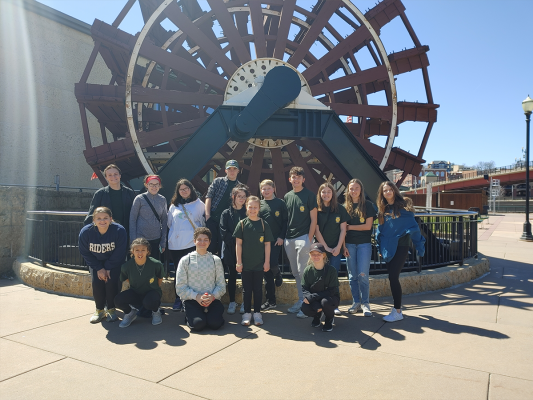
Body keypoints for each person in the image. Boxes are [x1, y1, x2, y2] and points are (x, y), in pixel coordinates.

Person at [375, 181, 426, 322]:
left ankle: (397, 311)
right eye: (385, 190)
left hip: (402, 246)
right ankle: (396, 309)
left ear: (395, 191)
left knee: (393, 277)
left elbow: (414, 228)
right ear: (382, 194)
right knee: (392, 278)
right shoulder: (382, 210)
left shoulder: (404, 208)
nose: (388, 192)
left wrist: (419, 247)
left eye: (390, 190)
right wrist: (380, 247)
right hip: (388, 247)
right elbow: (380, 231)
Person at [79, 207, 127, 323]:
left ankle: (111, 308)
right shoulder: (86, 232)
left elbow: (120, 251)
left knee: (111, 282)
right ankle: (99, 310)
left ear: (111, 219)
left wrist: (109, 267)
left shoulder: (119, 231)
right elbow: (85, 252)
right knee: (97, 282)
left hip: (114, 262)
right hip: (96, 262)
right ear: (93, 220)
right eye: (99, 218)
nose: (102, 221)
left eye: (105, 218)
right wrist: (99, 268)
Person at [176, 227, 226, 332]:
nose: (202, 242)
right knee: (198, 325)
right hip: (193, 300)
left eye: (205, 239)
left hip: (212, 299)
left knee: (215, 324)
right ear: (194, 241)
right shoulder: (186, 260)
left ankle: (210, 316)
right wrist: (197, 297)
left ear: (209, 242)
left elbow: (221, 285)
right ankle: (191, 316)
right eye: (199, 239)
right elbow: (180, 287)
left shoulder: (215, 260)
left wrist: (212, 297)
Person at [234, 196, 274, 326]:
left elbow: (267, 244)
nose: (252, 209)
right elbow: (238, 244)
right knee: (246, 289)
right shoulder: (242, 224)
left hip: (259, 264)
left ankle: (257, 313)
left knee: (257, 289)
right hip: (245, 264)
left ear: (259, 208)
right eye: (250, 207)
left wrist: (267, 262)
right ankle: (246, 313)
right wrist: (239, 262)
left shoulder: (264, 224)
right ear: (246, 207)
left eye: (255, 207)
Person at [284, 166, 318, 318]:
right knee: (296, 273)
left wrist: (309, 239)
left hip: (303, 237)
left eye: (298, 177)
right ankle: (301, 300)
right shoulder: (287, 196)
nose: (296, 179)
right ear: (290, 179)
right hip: (289, 238)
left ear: (303, 179)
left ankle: (307, 304)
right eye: (293, 177)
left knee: (303, 272)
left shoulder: (310, 196)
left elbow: (314, 219)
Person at [167, 179, 205, 311]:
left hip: (191, 244)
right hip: (176, 244)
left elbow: (202, 223)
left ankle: (190, 299)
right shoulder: (173, 205)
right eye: (181, 189)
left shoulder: (199, 204)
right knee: (179, 272)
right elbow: (169, 224)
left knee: (192, 272)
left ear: (191, 189)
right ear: (178, 191)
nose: (184, 191)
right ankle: (179, 298)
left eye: (186, 188)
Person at [343, 178, 377, 317]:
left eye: (356, 188)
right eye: (351, 189)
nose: (354, 191)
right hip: (349, 245)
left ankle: (366, 303)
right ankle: (356, 302)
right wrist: (343, 246)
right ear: (348, 190)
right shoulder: (344, 207)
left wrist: (350, 227)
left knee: (362, 275)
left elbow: (367, 226)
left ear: (361, 190)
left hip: (364, 245)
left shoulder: (367, 205)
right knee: (352, 276)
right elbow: (342, 231)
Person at [314, 182, 349, 315]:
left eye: (329, 192)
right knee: (321, 277)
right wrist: (326, 248)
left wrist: (339, 247)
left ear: (333, 194)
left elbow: (343, 229)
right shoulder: (316, 209)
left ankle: (334, 304)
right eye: (323, 192)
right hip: (321, 249)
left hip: (336, 249)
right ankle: (322, 304)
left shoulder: (340, 209)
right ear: (320, 194)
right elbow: (316, 230)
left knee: (333, 277)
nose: (326, 194)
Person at [115, 238, 164, 328]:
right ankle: (130, 313)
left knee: (150, 301)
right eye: (137, 250)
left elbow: (159, 278)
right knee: (118, 300)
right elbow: (126, 278)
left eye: (143, 250)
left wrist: (155, 288)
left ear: (147, 251)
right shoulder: (126, 266)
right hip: (135, 292)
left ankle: (156, 311)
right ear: (132, 251)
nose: (140, 253)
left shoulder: (156, 264)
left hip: (151, 292)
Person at [220, 184, 249, 315]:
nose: (242, 199)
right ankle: (232, 302)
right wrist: (235, 242)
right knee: (232, 276)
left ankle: (245, 302)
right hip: (230, 249)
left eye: (244, 196)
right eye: (239, 196)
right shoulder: (226, 213)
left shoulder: (248, 212)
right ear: (234, 197)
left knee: (246, 277)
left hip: (247, 249)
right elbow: (223, 231)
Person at [258, 180, 287, 311]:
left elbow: (286, 222)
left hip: (276, 240)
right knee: (266, 272)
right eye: (263, 189)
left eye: (268, 188)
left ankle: (278, 274)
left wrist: (282, 236)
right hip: (262, 241)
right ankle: (271, 301)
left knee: (273, 263)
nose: (266, 191)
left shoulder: (280, 203)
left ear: (274, 189)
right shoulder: (259, 204)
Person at [84, 164, 136, 234]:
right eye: (110, 175)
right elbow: (92, 214)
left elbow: (135, 213)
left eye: (115, 174)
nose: (113, 176)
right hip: (105, 232)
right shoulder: (100, 193)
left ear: (120, 175)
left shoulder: (129, 192)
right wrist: (88, 232)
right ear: (106, 177)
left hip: (125, 231)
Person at [301, 243, 340, 332]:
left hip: (330, 297)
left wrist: (313, 298)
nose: (316, 256)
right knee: (305, 307)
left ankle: (329, 319)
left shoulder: (331, 270)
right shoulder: (307, 270)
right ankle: (317, 316)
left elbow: (332, 290)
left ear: (323, 255)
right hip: (315, 298)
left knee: (325, 302)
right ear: (310, 256)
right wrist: (312, 302)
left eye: (318, 254)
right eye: (313, 254)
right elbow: (304, 288)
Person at [205, 160, 241, 255]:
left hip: (226, 222)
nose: (232, 171)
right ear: (226, 171)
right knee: (210, 246)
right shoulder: (218, 181)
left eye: (234, 169)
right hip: (213, 218)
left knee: (224, 248)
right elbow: (209, 197)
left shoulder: (240, 187)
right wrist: (207, 216)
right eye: (229, 169)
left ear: (238, 171)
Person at [129, 175, 167, 261]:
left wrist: (163, 241)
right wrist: (133, 241)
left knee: (154, 265)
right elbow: (132, 219)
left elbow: (164, 220)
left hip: (156, 238)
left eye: (156, 184)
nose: (154, 187)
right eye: (151, 184)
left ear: (159, 186)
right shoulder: (139, 199)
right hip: (140, 238)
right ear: (146, 185)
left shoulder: (162, 199)